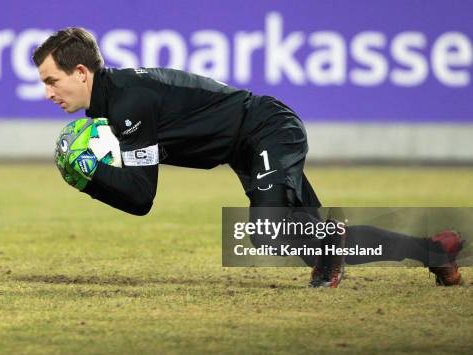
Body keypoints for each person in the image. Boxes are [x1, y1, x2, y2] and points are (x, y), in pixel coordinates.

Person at [33, 27, 464, 288]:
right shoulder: (117, 101)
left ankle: (331, 258)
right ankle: (434, 251)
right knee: (306, 233)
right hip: (250, 144)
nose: (48, 92)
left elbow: (141, 197)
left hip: (266, 130)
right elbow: (135, 187)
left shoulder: (128, 105)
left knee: (268, 232)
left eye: (53, 80)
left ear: (81, 72)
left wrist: (89, 178)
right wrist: (95, 176)